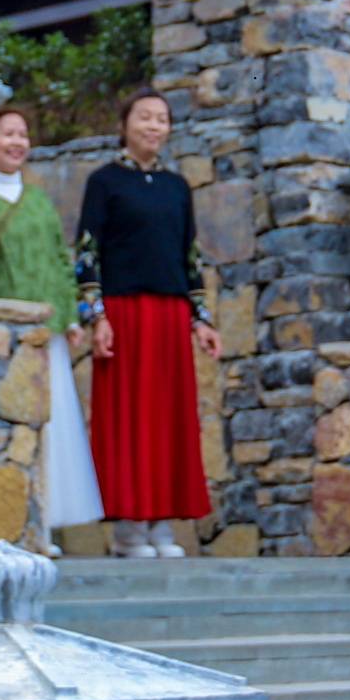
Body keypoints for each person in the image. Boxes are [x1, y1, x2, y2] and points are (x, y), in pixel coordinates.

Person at [0, 103, 102, 541]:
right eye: (7, 134)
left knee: (52, 426)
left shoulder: (37, 199)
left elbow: (58, 260)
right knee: (9, 426)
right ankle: (12, 526)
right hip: (0, 334)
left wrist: (70, 315)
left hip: (46, 331)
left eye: (22, 135)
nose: (17, 142)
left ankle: (45, 526)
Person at [72, 89, 219, 554]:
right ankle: (128, 528)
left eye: (162, 119)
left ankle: (161, 524)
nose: (154, 126)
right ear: (124, 125)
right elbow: (87, 252)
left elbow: (190, 255)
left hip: (171, 316)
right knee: (127, 418)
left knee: (168, 420)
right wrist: (96, 315)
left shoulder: (178, 187)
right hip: (124, 315)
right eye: (145, 117)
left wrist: (201, 318)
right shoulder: (104, 182)